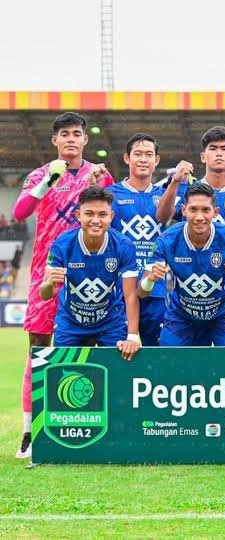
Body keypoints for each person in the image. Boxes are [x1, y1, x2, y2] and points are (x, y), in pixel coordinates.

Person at [12, 112, 113, 459]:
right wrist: (48, 181)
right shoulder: (41, 174)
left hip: (92, 277)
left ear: (85, 139)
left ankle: (95, 426)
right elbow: (20, 212)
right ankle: (30, 432)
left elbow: (111, 215)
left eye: (76, 133)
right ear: (54, 140)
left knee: (94, 349)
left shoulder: (99, 174)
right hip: (48, 274)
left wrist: (100, 186)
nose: (71, 139)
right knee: (38, 350)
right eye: (64, 134)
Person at [156, 126, 225, 345]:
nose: (218, 153)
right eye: (213, 149)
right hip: (191, 287)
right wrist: (175, 181)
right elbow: (162, 216)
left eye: (224, 149)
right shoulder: (189, 191)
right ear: (203, 156)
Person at [140, 183, 225, 346]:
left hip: (223, 314)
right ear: (183, 210)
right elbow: (142, 292)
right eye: (193, 209)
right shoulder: (167, 239)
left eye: (206, 210)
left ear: (215, 212)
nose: (199, 217)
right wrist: (150, 279)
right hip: (180, 316)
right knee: (167, 359)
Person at [40, 186, 140, 358]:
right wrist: (49, 284)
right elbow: (45, 294)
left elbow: (130, 295)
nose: (96, 220)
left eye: (102, 214)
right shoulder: (61, 245)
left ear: (111, 216)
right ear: (78, 215)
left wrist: (132, 337)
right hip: (70, 323)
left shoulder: (124, 246)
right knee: (62, 369)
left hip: (111, 322)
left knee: (119, 369)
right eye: (89, 214)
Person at [107, 133, 175, 346]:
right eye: (138, 154)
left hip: (156, 287)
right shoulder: (110, 195)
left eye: (148, 154)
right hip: (118, 289)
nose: (143, 159)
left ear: (157, 160)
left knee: (157, 354)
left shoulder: (166, 196)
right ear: (127, 158)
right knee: (120, 353)